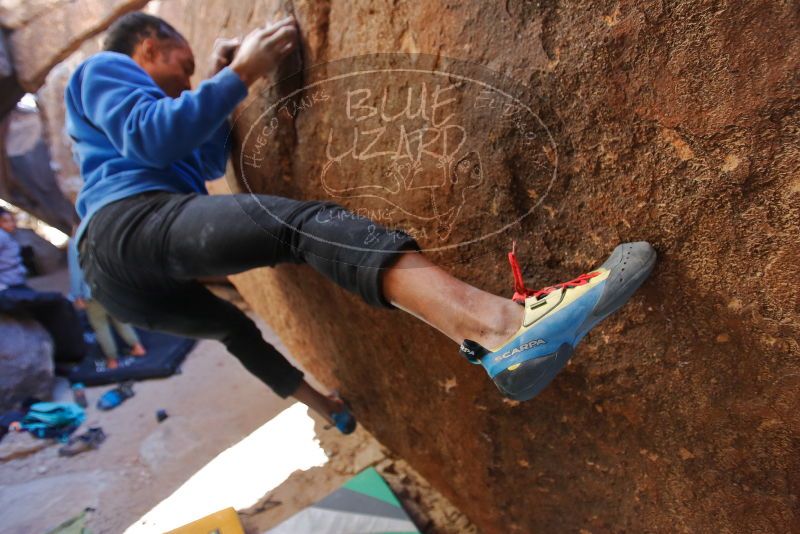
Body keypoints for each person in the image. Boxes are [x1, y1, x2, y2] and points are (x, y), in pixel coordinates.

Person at [65, 13, 655, 433]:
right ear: (149, 44)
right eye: (181, 68)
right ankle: (501, 325)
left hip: (125, 283)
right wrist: (241, 72)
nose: (185, 81)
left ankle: (329, 409)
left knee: (234, 332)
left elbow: (194, 160)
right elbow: (155, 132)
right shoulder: (103, 70)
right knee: (306, 226)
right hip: (124, 226)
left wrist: (226, 87)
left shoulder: (131, 114)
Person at [0, 208, 86, 363]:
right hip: (8, 286)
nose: (12, 224)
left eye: (12, 219)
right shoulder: (1, 237)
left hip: (14, 282)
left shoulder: (7, 237)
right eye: (6, 220)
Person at [68, 238, 146, 369]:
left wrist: (77, 295)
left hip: (92, 291)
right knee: (120, 319)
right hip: (111, 287)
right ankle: (137, 346)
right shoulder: (102, 231)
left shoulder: (75, 242)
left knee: (101, 326)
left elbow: (76, 271)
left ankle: (112, 359)